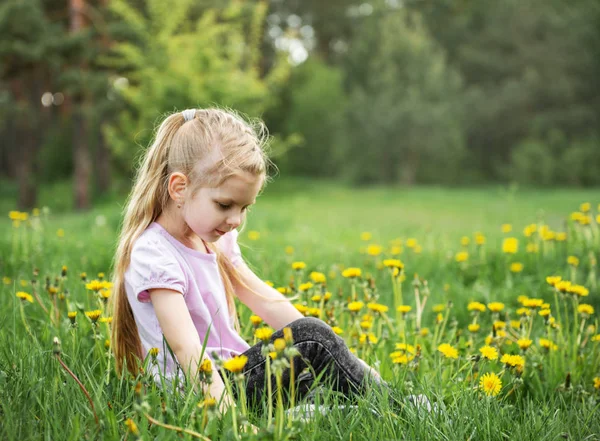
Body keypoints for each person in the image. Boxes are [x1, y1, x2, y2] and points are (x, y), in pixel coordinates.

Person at [109, 108, 384, 414]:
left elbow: (268, 303)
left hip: (235, 378)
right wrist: (231, 421)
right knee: (313, 339)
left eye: (244, 207)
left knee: (324, 376)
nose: (236, 220)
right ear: (179, 188)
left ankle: (358, 407)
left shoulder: (212, 239)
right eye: (224, 204)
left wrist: (346, 358)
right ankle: (398, 408)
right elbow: (186, 350)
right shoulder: (155, 254)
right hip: (201, 393)